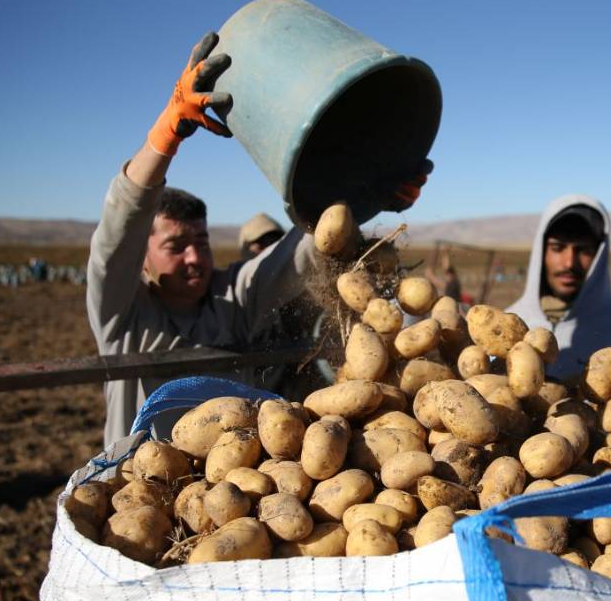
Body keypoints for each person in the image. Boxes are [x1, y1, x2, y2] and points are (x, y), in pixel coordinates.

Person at [87, 33, 427, 447]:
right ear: (142, 259)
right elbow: (117, 234)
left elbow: (299, 252)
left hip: (236, 492)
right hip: (140, 492)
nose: (195, 257)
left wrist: (363, 197)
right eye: (176, 247)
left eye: (202, 240)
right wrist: (163, 137)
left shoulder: (233, 300)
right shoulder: (124, 319)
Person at [505, 195, 611, 388]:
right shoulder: (510, 323)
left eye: (583, 250)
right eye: (557, 248)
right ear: (542, 252)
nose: (569, 263)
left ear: (600, 256)